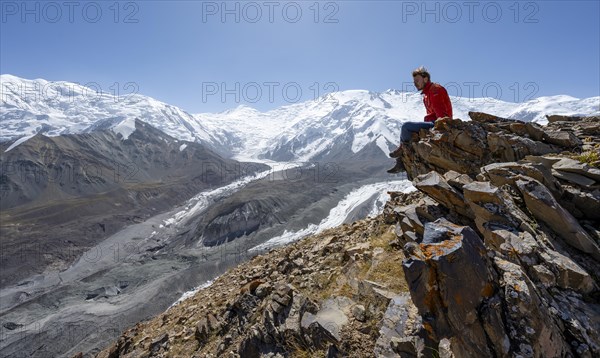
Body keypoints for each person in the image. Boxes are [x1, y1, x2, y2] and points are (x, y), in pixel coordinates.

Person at [387, 66, 453, 174]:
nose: (415, 83)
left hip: (439, 123)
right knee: (407, 129)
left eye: (417, 80)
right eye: (414, 81)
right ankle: (401, 159)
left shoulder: (435, 90)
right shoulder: (426, 95)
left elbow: (441, 113)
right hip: (434, 122)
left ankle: (401, 159)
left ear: (425, 79)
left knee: (406, 126)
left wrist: (441, 127)